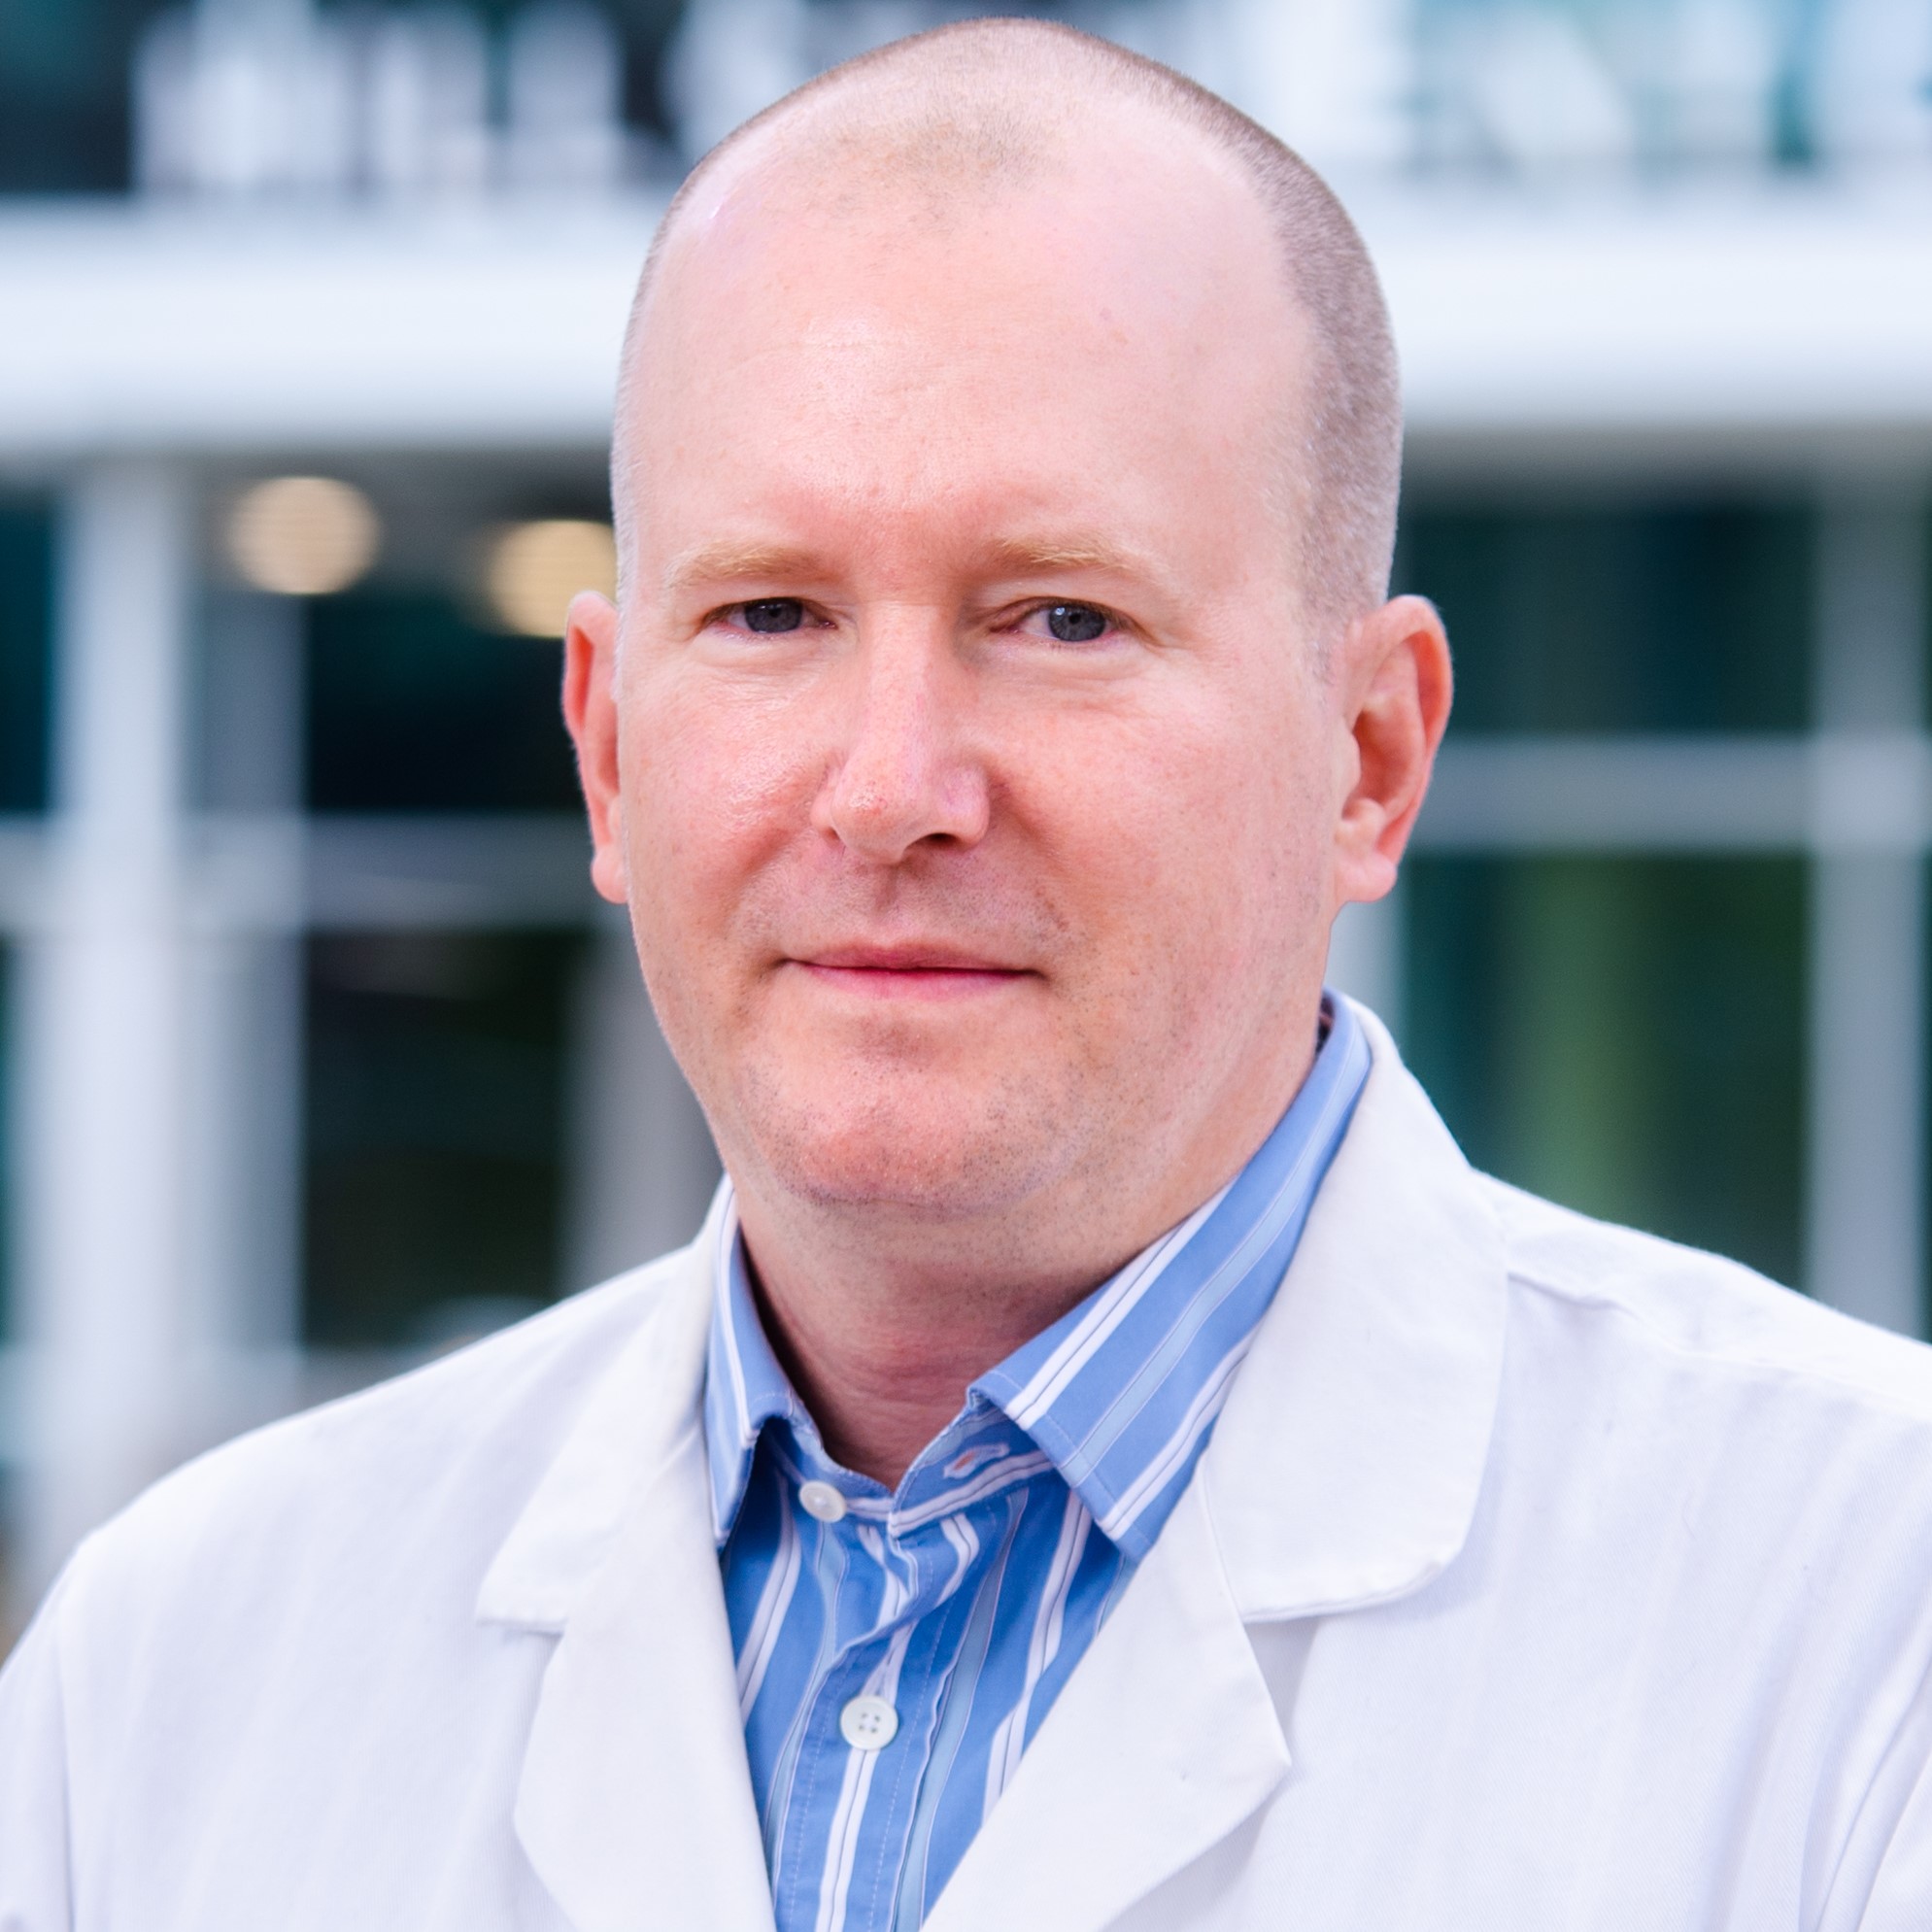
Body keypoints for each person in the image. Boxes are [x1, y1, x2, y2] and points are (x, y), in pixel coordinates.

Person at [4, 17, 1932, 1929]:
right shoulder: (174, 1682)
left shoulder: (1857, 1618)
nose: (889, 790)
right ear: (607, 752)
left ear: (1366, 757)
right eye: (770, 612)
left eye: (1059, 618)